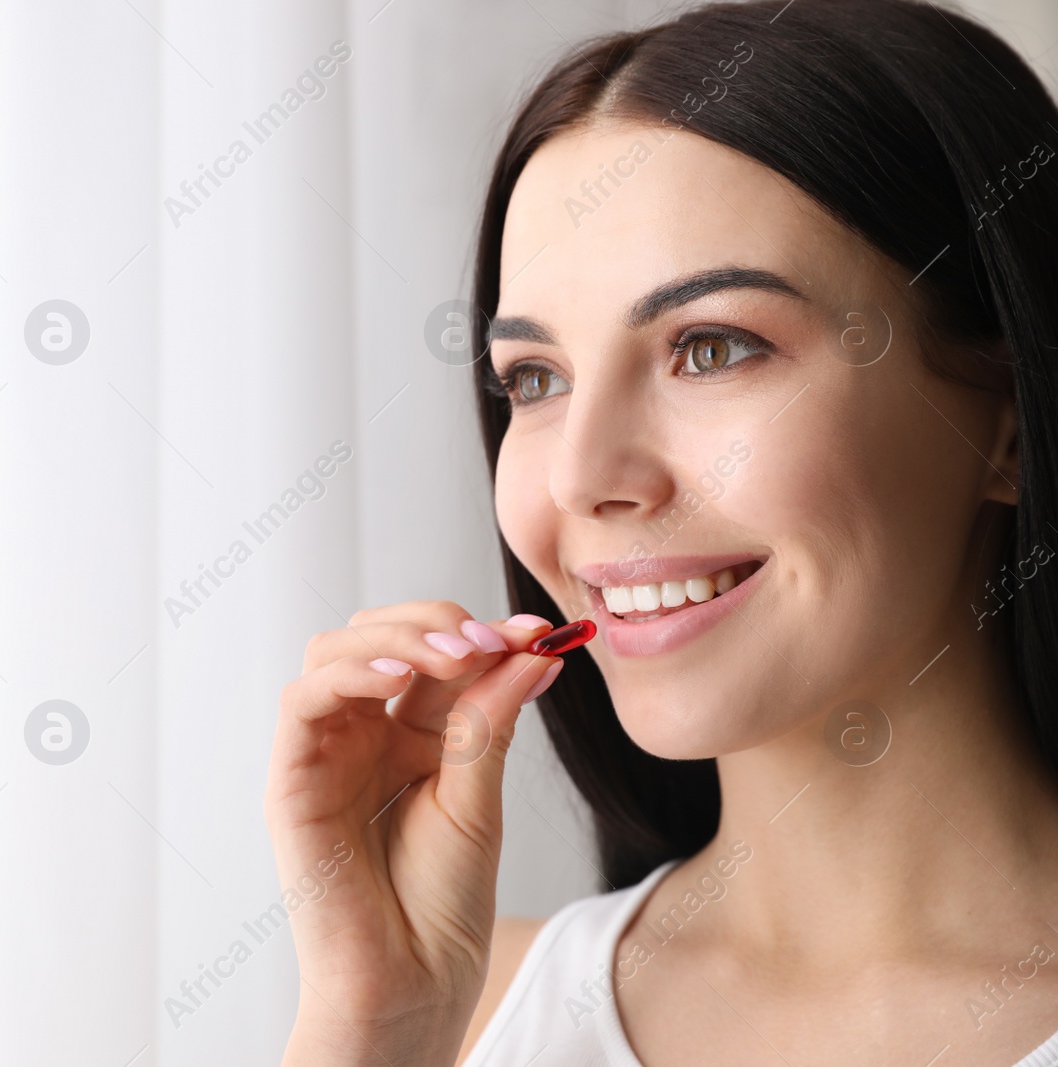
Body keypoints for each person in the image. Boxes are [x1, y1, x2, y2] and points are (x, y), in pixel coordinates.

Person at [264, 1, 1058, 1063]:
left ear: (1007, 425)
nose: (584, 477)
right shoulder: (462, 1007)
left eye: (712, 347)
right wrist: (374, 1027)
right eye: (533, 380)